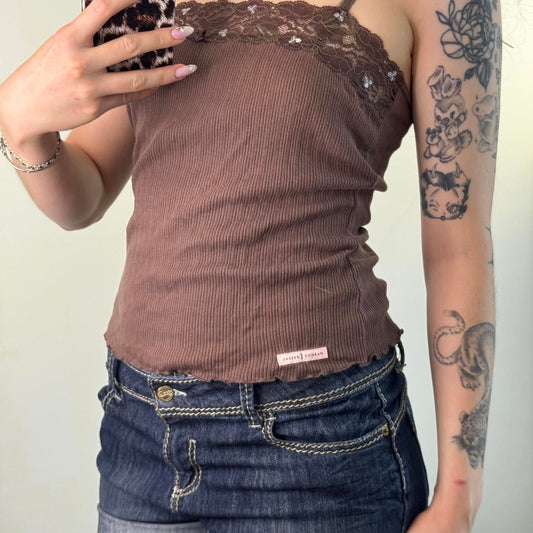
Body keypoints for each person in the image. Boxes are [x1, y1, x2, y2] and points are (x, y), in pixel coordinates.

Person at [0, 0, 499, 531]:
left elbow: (458, 247)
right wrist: (20, 125)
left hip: (321, 436)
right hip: (141, 431)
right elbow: (86, 195)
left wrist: (460, 496)